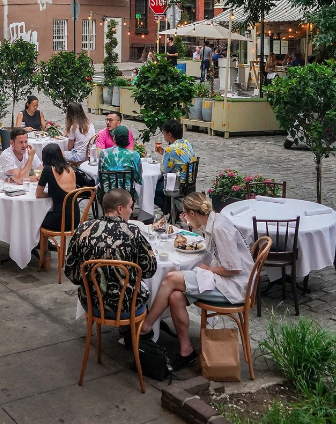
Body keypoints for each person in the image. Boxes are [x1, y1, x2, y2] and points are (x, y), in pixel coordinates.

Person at [141, 193, 253, 368]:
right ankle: (186, 351)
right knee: (175, 297)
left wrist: (209, 270)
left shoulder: (219, 229)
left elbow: (234, 268)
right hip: (223, 278)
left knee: (170, 279)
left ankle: (145, 327)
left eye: (185, 214)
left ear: (192, 213)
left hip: (234, 285)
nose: (184, 218)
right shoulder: (213, 222)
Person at [63, 189, 157, 324]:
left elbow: (70, 271)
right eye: (130, 207)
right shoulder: (133, 232)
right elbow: (150, 270)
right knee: (145, 292)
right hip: (127, 308)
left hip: (91, 304)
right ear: (120, 209)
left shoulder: (83, 229)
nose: (131, 211)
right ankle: (140, 336)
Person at [36, 143, 80, 231]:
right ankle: (44, 244)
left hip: (60, 220)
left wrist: (51, 194)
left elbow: (38, 194)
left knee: (35, 218)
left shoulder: (48, 169)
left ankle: (40, 244)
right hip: (75, 218)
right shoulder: (70, 168)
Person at [154, 119, 194, 212]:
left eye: (164, 132)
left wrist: (165, 154)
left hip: (178, 183)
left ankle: (171, 210)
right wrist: (164, 153)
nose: (163, 134)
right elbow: (178, 158)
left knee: (151, 190)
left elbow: (164, 170)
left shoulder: (170, 149)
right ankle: (173, 210)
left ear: (169, 134)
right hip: (189, 181)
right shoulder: (186, 143)